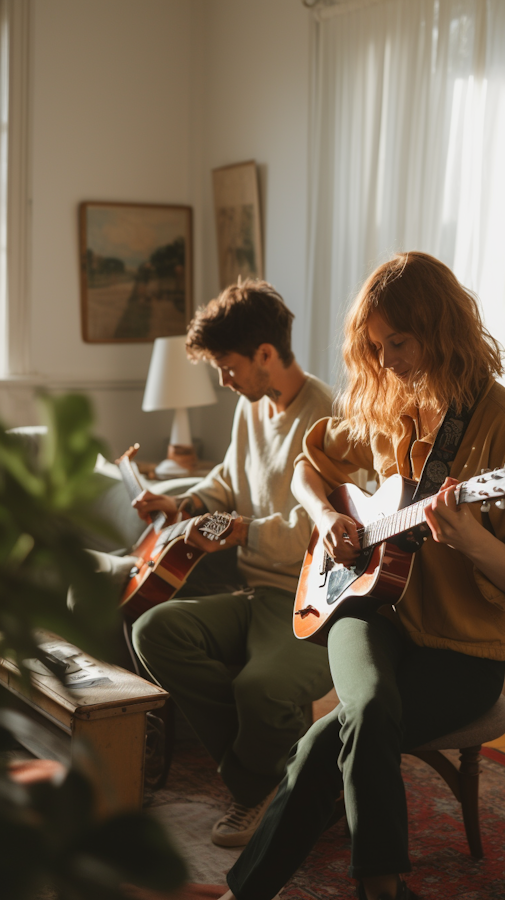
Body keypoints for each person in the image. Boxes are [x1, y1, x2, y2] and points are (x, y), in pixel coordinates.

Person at [205, 252, 505, 900]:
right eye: (376, 346)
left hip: (463, 650)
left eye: (398, 341)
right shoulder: (389, 403)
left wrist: (474, 539)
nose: (388, 360)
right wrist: (326, 517)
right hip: (372, 611)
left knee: (332, 736)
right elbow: (309, 465)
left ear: (441, 327)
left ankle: (256, 894)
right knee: (368, 707)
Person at [131, 279, 333, 847]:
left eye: (228, 367)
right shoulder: (253, 408)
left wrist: (240, 530)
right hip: (259, 597)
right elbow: (227, 478)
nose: (224, 380)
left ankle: (258, 789)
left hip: (311, 604)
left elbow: (316, 533)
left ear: (266, 354)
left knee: (260, 687)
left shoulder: (327, 424)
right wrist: (181, 503)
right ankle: (278, 774)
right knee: (154, 631)